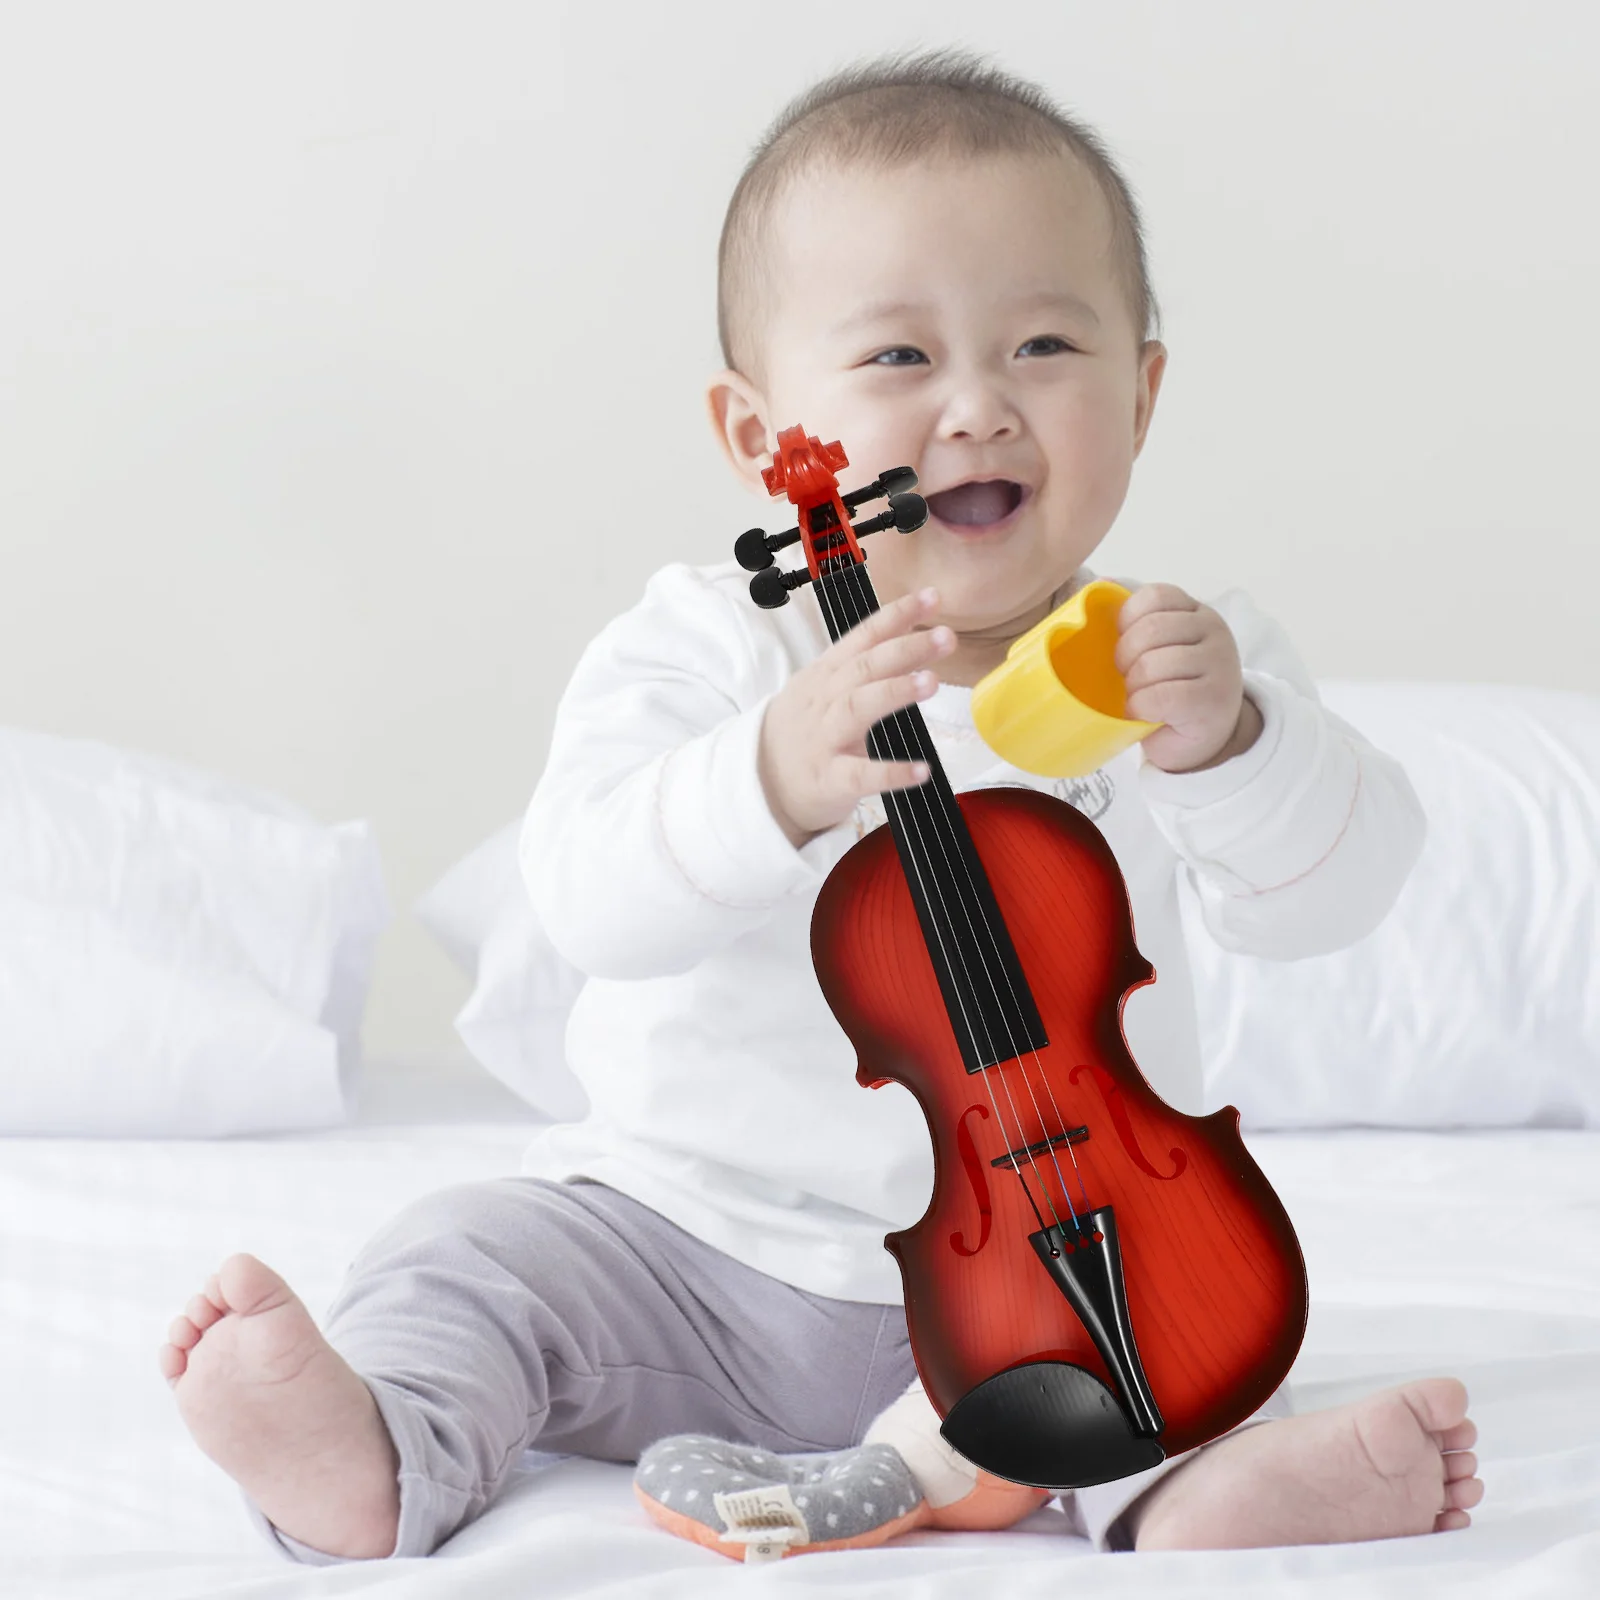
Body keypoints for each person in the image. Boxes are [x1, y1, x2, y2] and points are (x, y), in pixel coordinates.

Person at [159, 50, 1482, 1564]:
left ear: (1145, 390)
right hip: (692, 1252)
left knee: (1195, 1337)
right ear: (756, 435)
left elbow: (1344, 895)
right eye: (901, 360)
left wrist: (1238, 743)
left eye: (1045, 343)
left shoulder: (1174, 660)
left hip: (1059, 1255)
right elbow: (586, 894)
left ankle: (1190, 1493)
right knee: (475, 1253)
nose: (979, 408)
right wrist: (769, 775)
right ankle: (382, 1442)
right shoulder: (712, 647)